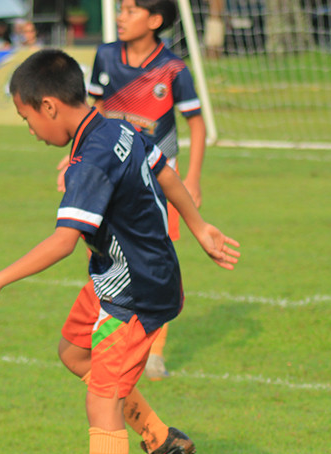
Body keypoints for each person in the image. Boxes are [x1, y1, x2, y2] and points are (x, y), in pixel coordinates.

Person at [0, 50, 240, 454]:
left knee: (102, 401)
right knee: (74, 353)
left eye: (25, 119)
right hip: (113, 275)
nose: (29, 131)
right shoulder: (114, 128)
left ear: (48, 107)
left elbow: (64, 241)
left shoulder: (90, 159)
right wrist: (198, 227)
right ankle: (161, 440)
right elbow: (165, 174)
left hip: (137, 289)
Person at [72, 0, 207, 380]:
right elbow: (93, 112)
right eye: (121, 9)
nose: (120, 16)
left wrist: (192, 178)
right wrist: (74, 159)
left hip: (157, 178)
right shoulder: (106, 55)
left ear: (156, 20)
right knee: (102, 252)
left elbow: (196, 124)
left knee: (155, 260)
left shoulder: (173, 69)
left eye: (131, 10)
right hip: (109, 174)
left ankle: (153, 351)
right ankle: (106, 329)